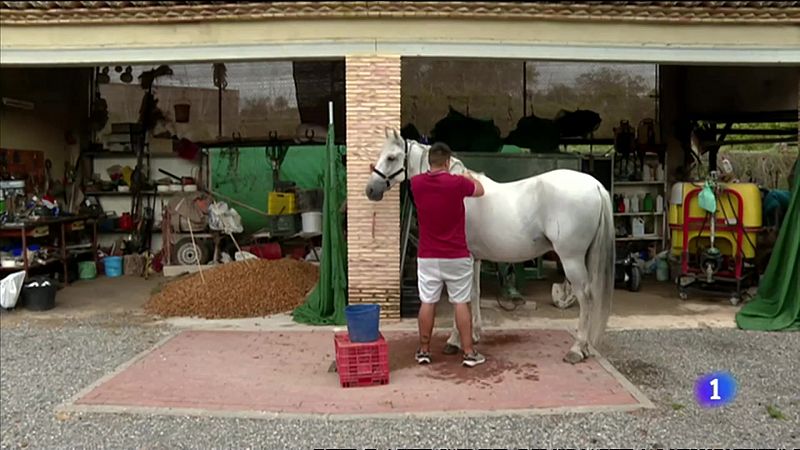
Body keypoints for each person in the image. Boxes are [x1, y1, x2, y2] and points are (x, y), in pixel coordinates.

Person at [409, 142, 486, 367]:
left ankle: (424, 350)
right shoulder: (458, 183)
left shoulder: (417, 184)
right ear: (448, 162)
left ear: (429, 162)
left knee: (427, 302)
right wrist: (469, 176)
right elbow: (480, 190)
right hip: (456, 256)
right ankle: (469, 353)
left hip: (427, 257)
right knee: (461, 303)